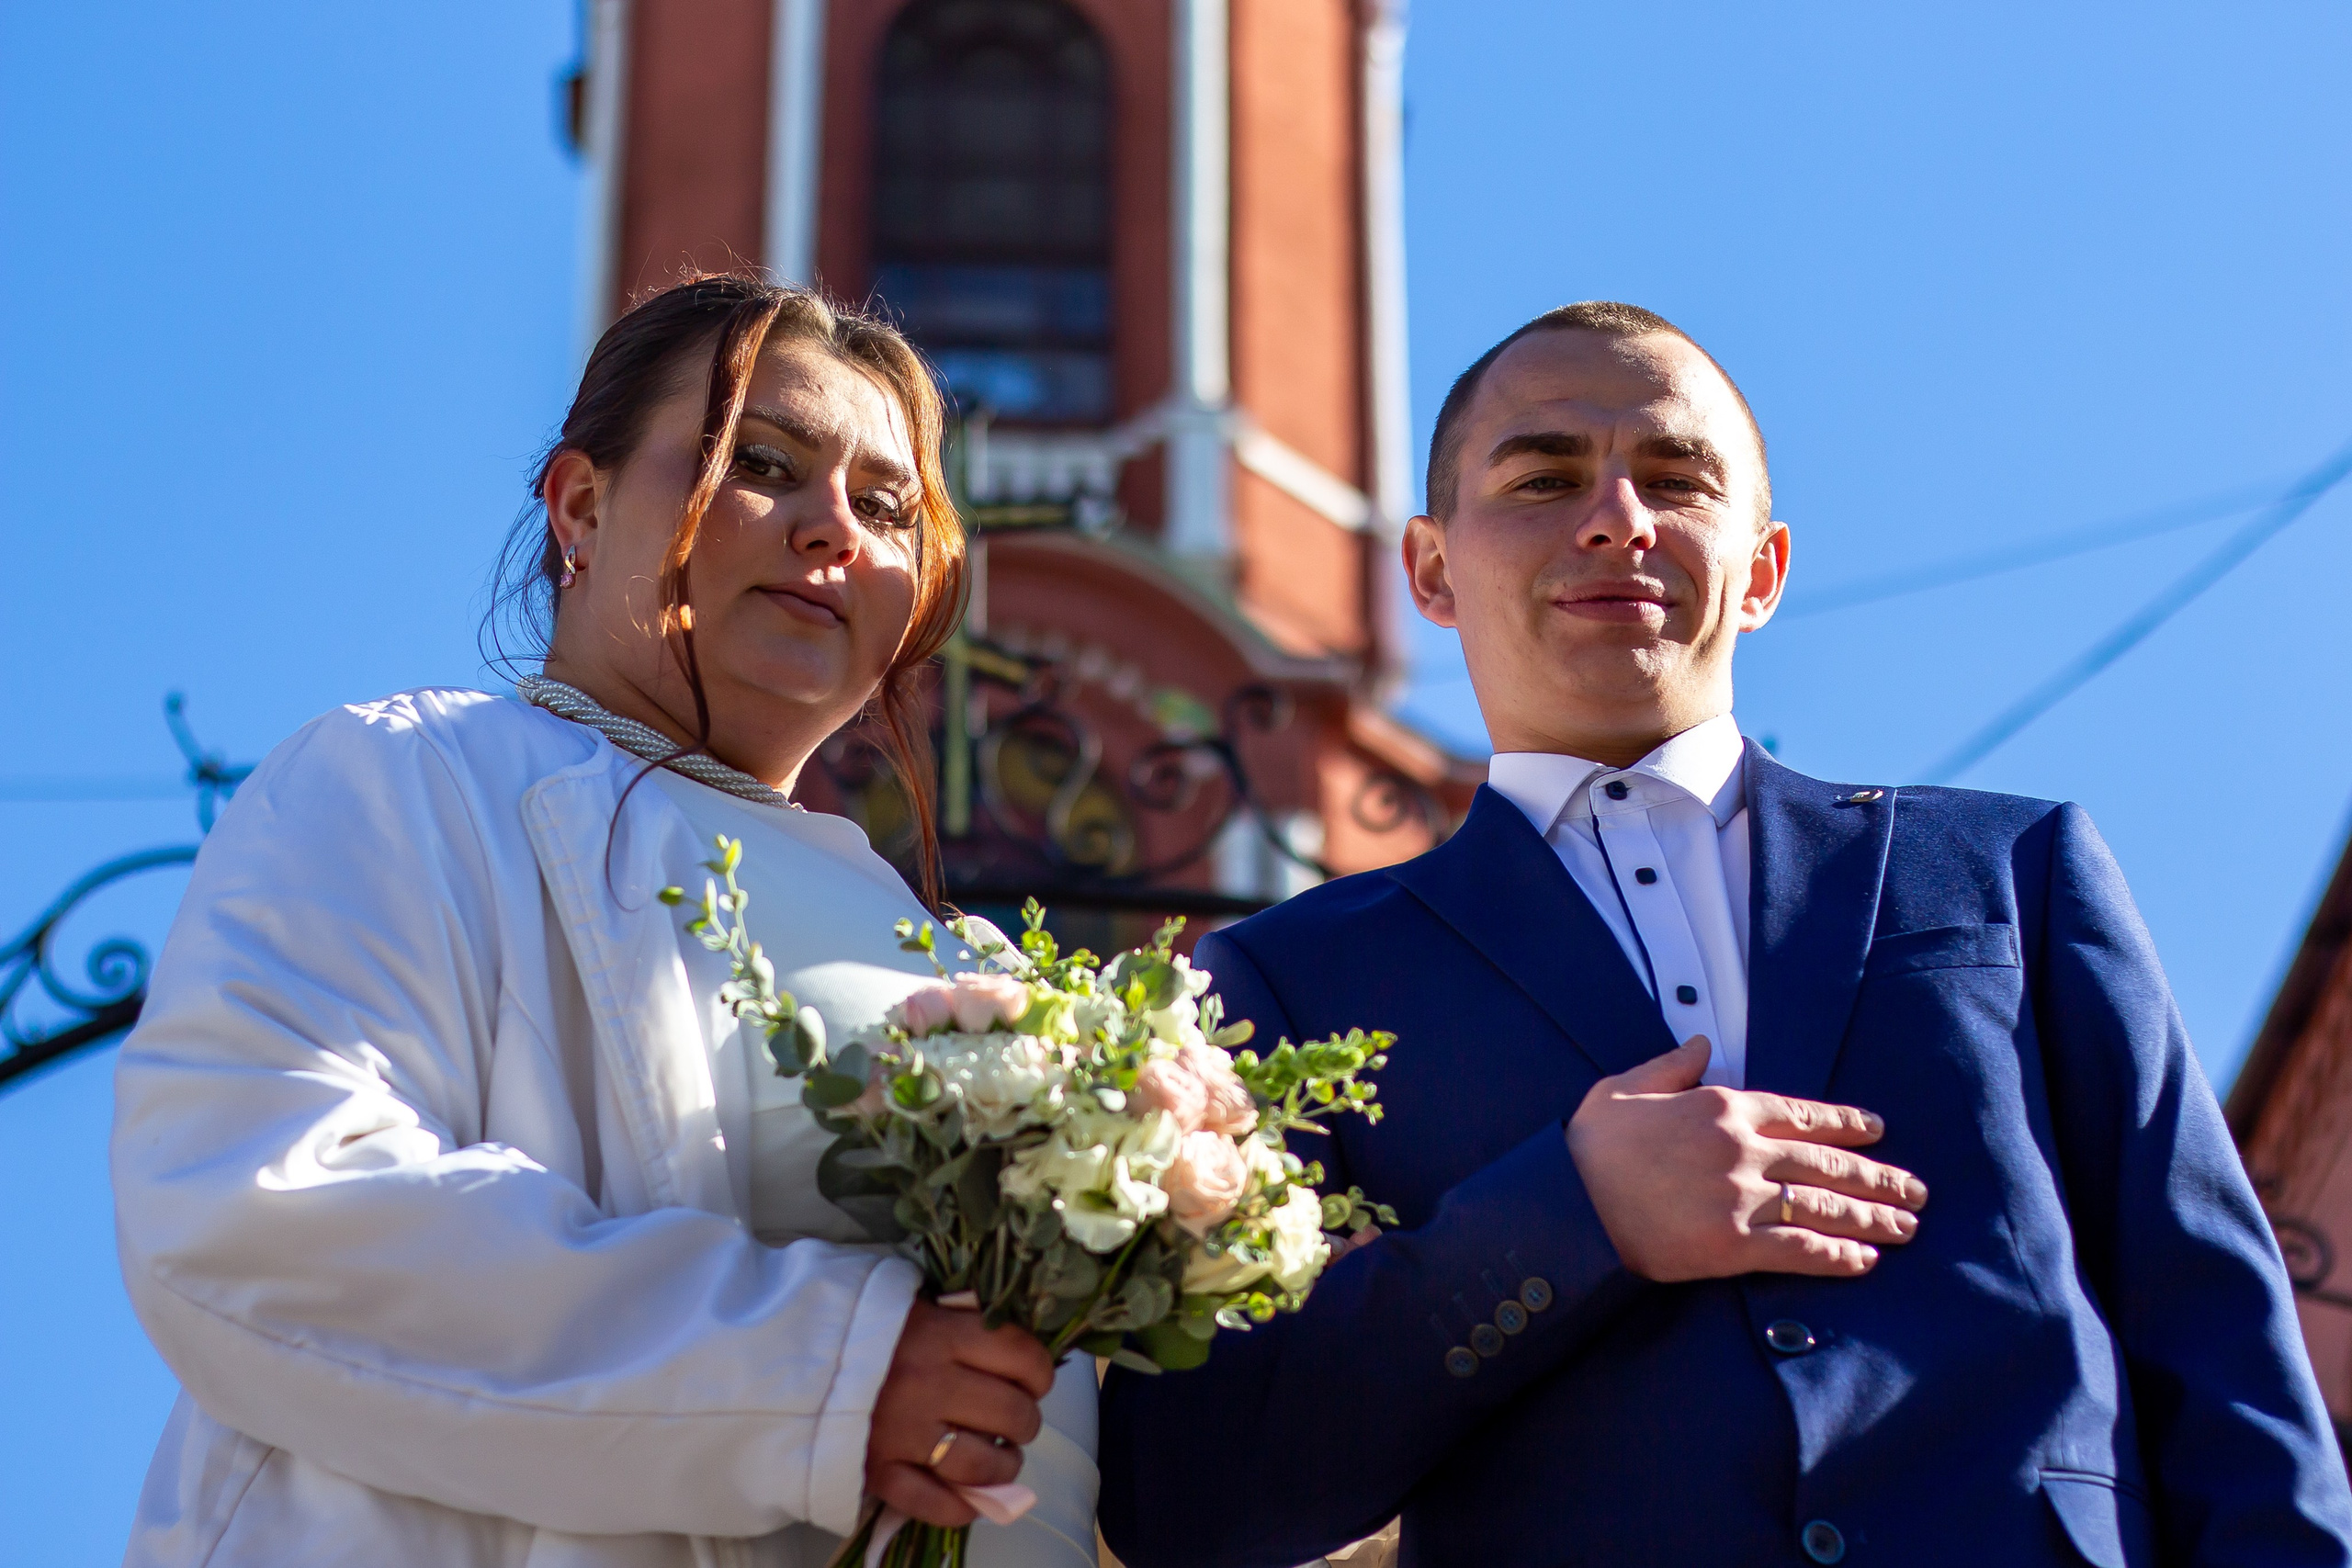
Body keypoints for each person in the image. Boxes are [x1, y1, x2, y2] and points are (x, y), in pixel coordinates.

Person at [1100, 303, 2352, 1566]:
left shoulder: (2015, 868)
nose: (1618, 519)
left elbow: (2224, 1348)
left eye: (1675, 478)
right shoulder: (1297, 977)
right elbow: (1188, 1495)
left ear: (1761, 571)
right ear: (1430, 570)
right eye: (1544, 478)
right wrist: (1572, 1216)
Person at [110, 275, 1097, 1568]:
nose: (834, 531)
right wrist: (826, 1379)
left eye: (885, 508)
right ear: (581, 506)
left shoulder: (964, 963)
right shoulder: (412, 780)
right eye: (764, 464)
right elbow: (263, 1210)